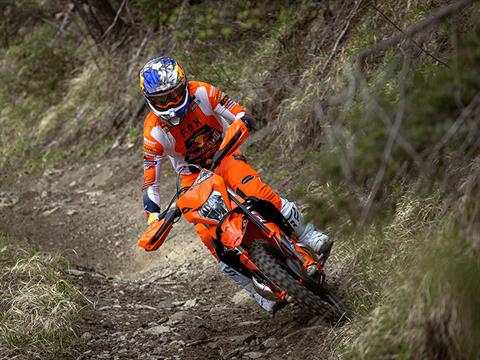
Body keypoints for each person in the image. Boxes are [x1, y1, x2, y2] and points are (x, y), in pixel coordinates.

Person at [139, 56, 332, 312]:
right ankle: (256, 290)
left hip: (224, 153)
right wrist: (154, 217)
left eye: (174, 95)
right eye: (163, 100)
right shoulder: (153, 130)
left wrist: (240, 123)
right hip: (192, 176)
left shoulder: (203, 92)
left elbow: (240, 113)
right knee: (209, 235)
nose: (171, 104)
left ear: (184, 85)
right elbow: (150, 180)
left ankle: (308, 234)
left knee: (256, 191)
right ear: (150, 100)